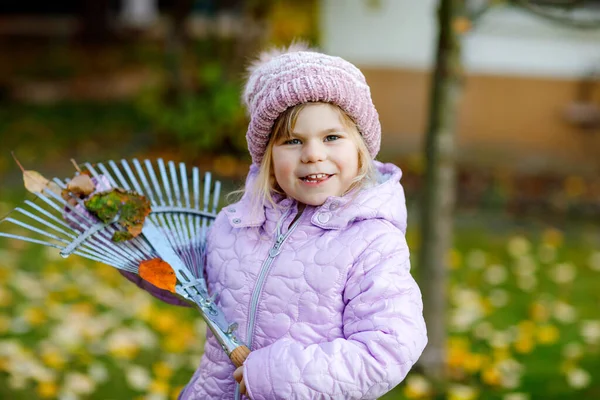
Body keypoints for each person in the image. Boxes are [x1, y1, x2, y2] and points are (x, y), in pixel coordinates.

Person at [126, 43, 427, 399]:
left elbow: (387, 350)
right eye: (293, 141)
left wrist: (272, 376)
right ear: (267, 156)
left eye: (332, 137)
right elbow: (186, 279)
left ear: (360, 147)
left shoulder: (372, 243)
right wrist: (126, 237)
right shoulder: (238, 224)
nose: (313, 154)